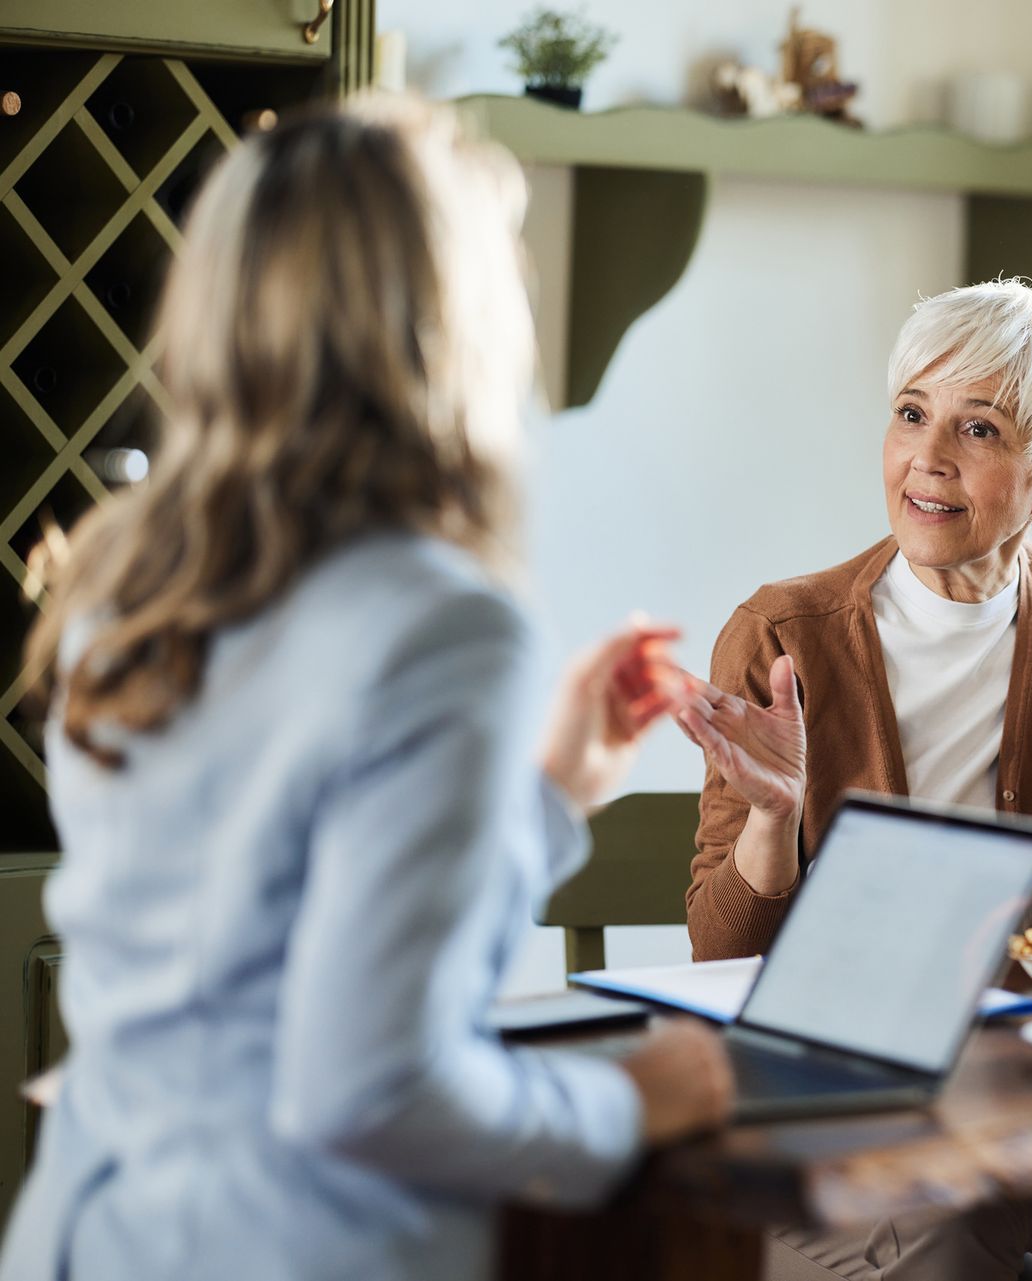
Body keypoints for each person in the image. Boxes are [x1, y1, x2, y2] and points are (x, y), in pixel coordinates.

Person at [0, 97, 733, 1281]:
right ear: (451, 325)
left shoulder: (122, 579)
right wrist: (625, 1103)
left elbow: (259, 929)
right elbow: (372, 1088)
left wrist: (546, 797)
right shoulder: (446, 627)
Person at [677, 279, 1032, 1281]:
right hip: (827, 1100)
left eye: (979, 429)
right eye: (912, 414)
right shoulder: (781, 635)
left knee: (963, 1242)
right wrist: (774, 821)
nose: (928, 458)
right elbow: (718, 956)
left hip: (1016, 1091)